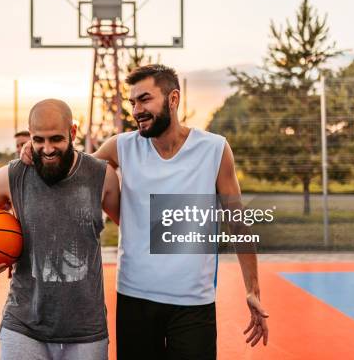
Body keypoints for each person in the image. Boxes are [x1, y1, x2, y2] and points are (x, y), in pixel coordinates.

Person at [22, 64, 269, 359]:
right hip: (135, 299)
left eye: (145, 99)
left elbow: (238, 224)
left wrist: (252, 289)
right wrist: (34, 152)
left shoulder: (214, 149)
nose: (137, 109)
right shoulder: (121, 147)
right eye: (133, 102)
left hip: (193, 303)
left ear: (173, 99)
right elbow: (71, 173)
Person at [0, 99, 121, 360]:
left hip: (86, 329)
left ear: (73, 133)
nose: (47, 149)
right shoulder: (14, 175)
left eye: (56, 139)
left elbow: (131, 228)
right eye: (38, 139)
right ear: (30, 136)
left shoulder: (101, 176)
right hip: (24, 325)